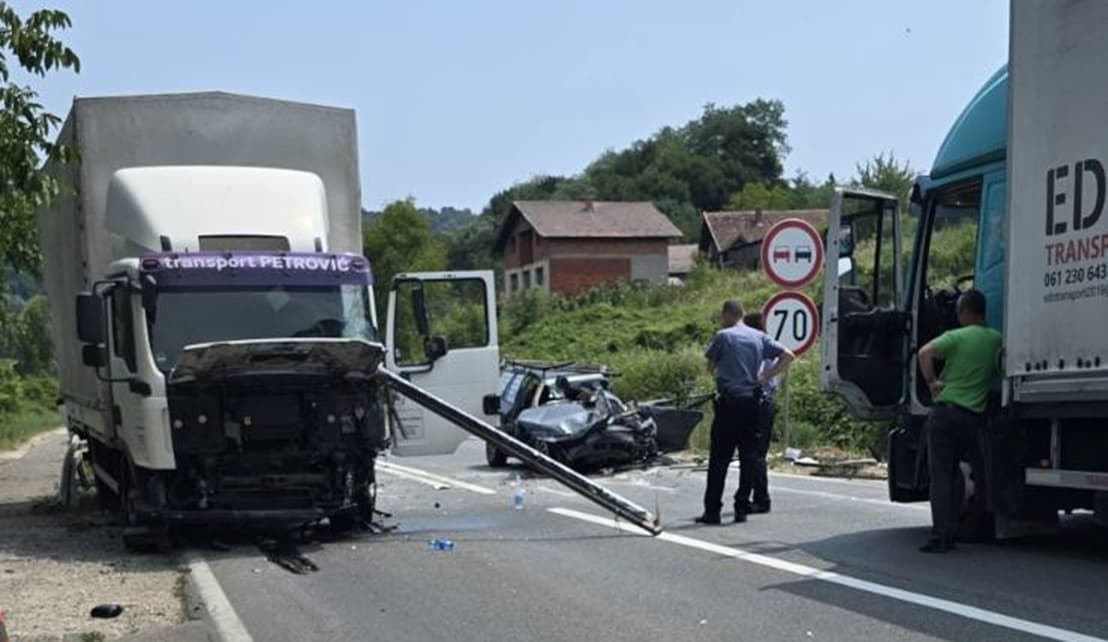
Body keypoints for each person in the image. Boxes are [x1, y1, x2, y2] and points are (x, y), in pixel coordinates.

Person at [916, 289, 1001, 553]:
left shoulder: (957, 336)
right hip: (972, 418)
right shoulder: (996, 339)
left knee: (943, 476)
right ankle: (969, 526)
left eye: (958, 313)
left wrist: (932, 382)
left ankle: (941, 537)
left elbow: (924, 353)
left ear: (964, 312)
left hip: (945, 414)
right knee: (977, 474)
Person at [698, 300, 795, 525]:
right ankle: (741, 507)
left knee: (719, 459)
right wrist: (766, 375)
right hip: (753, 404)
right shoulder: (759, 337)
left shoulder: (724, 336)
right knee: (749, 457)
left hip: (729, 404)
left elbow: (710, 366)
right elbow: (788, 355)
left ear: (727, 314)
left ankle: (712, 511)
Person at [737, 312, 778, 514]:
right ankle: (758, 496)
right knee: (757, 452)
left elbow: (756, 375)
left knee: (755, 453)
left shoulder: (757, 347)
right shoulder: (767, 344)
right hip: (766, 402)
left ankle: (761, 498)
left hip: (758, 403)